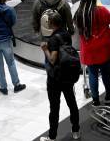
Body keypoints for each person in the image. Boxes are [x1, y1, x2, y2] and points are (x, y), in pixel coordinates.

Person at [74, 0, 110, 106]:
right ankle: (109, 95)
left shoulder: (78, 15)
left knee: (92, 74)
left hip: (89, 50)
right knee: (106, 72)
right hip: (103, 49)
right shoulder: (101, 11)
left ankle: (95, 100)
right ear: (95, 1)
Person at [39, 11, 80, 141]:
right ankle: (76, 131)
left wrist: (45, 49)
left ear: (51, 24)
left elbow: (52, 59)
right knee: (72, 104)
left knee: (54, 108)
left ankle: (52, 137)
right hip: (68, 75)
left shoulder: (52, 39)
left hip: (55, 79)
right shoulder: (66, 34)